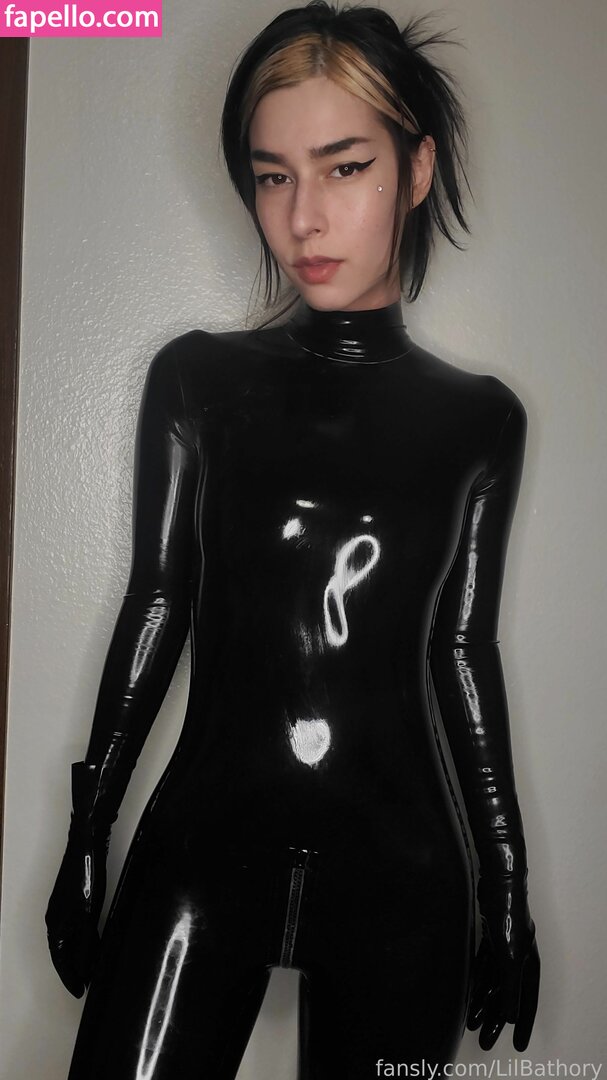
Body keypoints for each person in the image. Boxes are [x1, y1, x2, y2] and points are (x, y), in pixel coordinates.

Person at [45, 3, 540, 1077]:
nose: (303, 218)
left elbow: (460, 650)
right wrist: (88, 833)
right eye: (273, 176)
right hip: (203, 840)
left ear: (415, 168)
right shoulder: (198, 380)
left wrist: (505, 883)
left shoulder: (480, 420)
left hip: (400, 863)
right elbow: (159, 602)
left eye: (343, 167)